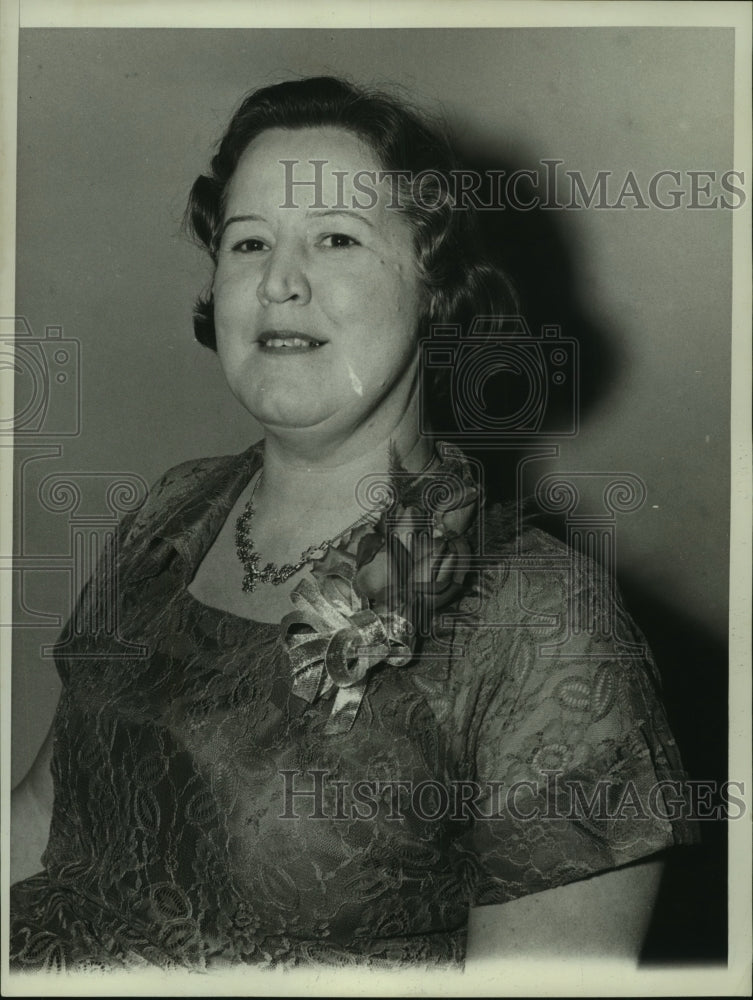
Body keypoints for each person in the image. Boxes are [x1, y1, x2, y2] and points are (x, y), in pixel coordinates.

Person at [9, 76, 697, 972]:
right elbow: (40, 823)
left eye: (334, 239)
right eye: (247, 242)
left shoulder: (548, 629)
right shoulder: (171, 512)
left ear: (434, 285)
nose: (278, 283)